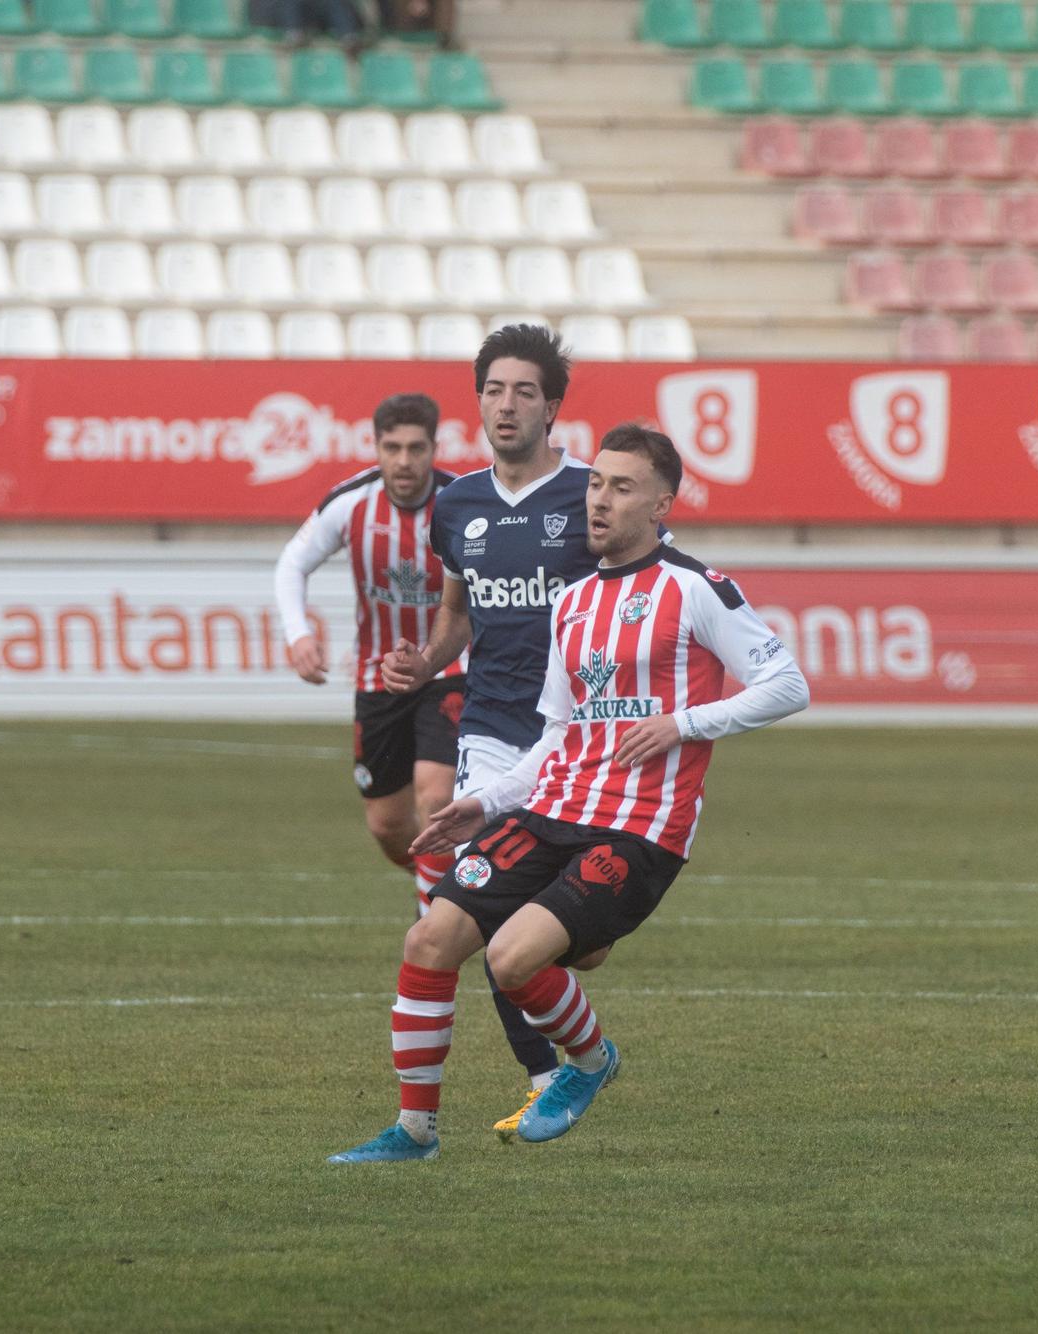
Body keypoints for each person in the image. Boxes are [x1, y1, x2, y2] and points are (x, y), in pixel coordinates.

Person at [330, 423, 809, 1162]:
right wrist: (483, 805)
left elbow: (787, 684)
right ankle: (414, 1134)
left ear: (662, 505)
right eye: (595, 484)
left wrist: (680, 724)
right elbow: (558, 736)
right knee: (430, 938)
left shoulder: (696, 589)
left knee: (512, 959)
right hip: (552, 808)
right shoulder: (574, 601)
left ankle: (590, 1062)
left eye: (622, 488)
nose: (600, 500)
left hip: (638, 828)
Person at [379, 324, 602, 1140]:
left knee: (579, 949)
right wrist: (426, 659)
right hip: (493, 732)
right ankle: (545, 1076)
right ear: (478, 402)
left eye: (524, 392)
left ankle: (568, 1049)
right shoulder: (457, 505)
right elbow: (456, 613)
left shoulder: (591, 496)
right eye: (494, 391)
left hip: (581, 741)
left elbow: (654, 580)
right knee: (478, 915)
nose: (506, 407)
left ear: (552, 407)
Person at [275, 393, 463, 915]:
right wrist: (298, 634)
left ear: (434, 448)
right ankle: (448, 885)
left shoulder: (463, 503)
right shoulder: (351, 503)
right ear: (377, 448)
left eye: (416, 448)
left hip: (449, 668)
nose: (405, 460)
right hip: (377, 676)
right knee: (387, 826)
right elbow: (292, 564)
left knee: (436, 797)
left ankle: (436, 931)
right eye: (393, 447)